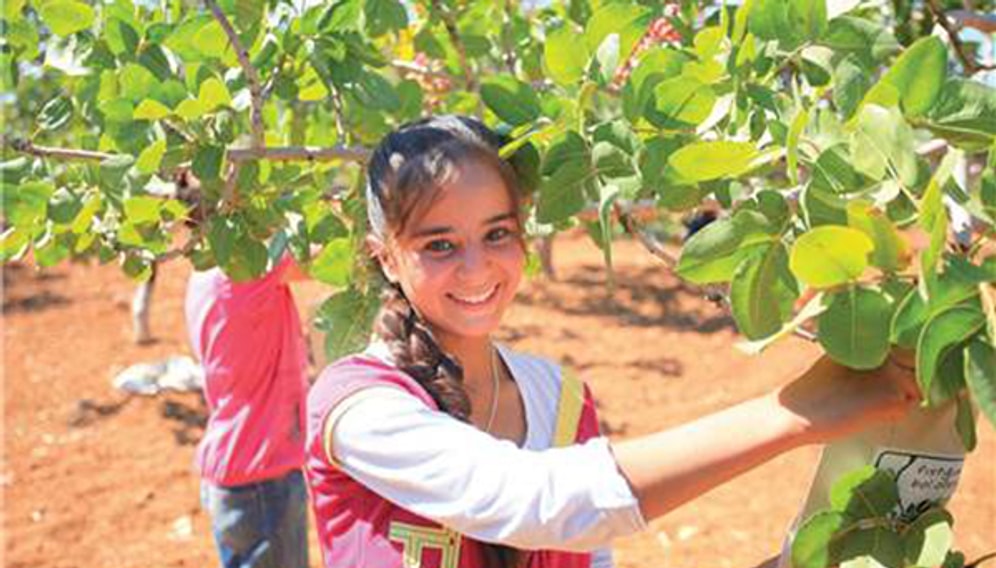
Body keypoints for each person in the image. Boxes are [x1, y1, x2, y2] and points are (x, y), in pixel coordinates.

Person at [304, 115, 919, 568]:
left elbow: (585, 543)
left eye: (498, 234)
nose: (476, 268)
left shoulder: (562, 397)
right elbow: (533, 501)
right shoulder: (359, 405)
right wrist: (793, 413)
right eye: (439, 244)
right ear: (384, 258)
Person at [185, 224, 311, 568]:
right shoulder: (247, 269)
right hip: (262, 479)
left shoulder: (204, 274)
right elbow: (334, 260)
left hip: (236, 476)